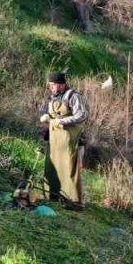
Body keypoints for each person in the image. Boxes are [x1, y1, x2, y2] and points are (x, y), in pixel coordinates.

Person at [38, 71, 88, 209]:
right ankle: (54, 196)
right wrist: (44, 116)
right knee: (52, 166)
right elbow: (45, 112)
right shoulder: (52, 97)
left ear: (62, 85)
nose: (52, 88)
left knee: (70, 169)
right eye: (50, 85)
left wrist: (62, 121)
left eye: (54, 85)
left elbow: (82, 115)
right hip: (55, 140)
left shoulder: (73, 96)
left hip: (70, 140)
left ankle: (75, 201)